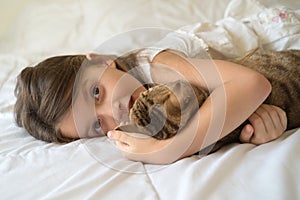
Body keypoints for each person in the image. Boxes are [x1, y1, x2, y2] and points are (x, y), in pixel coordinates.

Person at [14, 47, 287, 164]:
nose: (114, 112)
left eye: (96, 92)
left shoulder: (153, 65)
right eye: (98, 125)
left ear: (100, 61)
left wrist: (165, 151)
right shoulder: (136, 122)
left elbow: (253, 83)